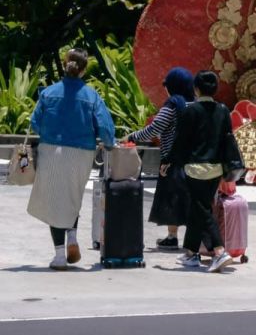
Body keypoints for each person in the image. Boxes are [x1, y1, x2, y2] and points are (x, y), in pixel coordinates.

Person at [27, 49, 116, 270]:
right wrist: (109, 143)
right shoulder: (91, 95)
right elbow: (104, 126)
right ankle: (73, 236)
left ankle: (59, 255)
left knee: (55, 200)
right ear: (84, 69)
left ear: (66, 64)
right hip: (82, 152)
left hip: (52, 149)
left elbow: (35, 122)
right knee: (71, 196)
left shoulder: (48, 93)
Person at [171, 70, 244, 273]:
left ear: (196, 89)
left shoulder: (189, 111)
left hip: (195, 168)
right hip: (217, 169)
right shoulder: (223, 110)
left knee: (202, 209)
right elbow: (226, 139)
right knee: (199, 207)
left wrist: (170, 161)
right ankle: (190, 253)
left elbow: (181, 141)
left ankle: (220, 252)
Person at [126, 67, 194, 249]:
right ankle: (194, 239)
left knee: (173, 199)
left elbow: (155, 129)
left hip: (173, 160)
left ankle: (172, 237)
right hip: (194, 159)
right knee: (191, 200)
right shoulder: (194, 104)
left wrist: (132, 136)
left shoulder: (173, 104)